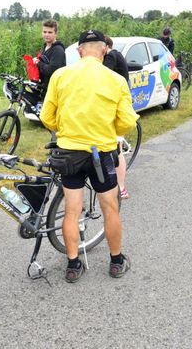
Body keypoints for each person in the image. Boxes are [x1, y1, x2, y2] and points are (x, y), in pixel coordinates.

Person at [41, 29, 138, 283]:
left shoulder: (61, 75)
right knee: (110, 207)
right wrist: (110, 132)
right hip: (101, 152)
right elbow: (127, 121)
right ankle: (116, 261)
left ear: (79, 51)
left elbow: (46, 116)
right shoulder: (115, 80)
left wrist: (65, 130)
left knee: (72, 210)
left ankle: (73, 265)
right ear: (104, 50)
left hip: (69, 152)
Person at [103, 35, 131, 199]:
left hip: (119, 105)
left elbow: (102, 73)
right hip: (115, 102)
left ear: (106, 46)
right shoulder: (116, 54)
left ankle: (121, 188)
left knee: (117, 148)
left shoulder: (112, 56)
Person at [32, 19, 66, 100]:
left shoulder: (58, 50)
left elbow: (52, 70)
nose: (46, 35)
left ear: (55, 33)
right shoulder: (45, 47)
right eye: (44, 32)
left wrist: (38, 63)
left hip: (53, 91)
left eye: (50, 32)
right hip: (44, 88)